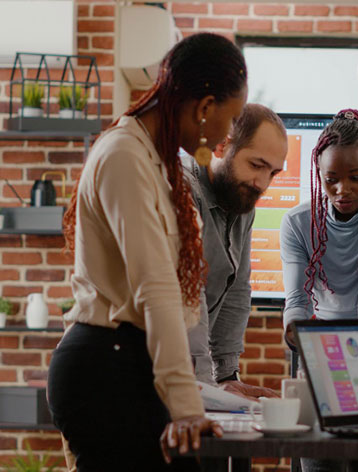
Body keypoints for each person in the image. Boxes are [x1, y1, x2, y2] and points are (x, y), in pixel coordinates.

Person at [48, 33, 248, 471]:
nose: (230, 132)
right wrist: (187, 408)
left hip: (128, 364)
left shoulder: (157, 158)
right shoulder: (125, 156)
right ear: (205, 107)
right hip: (106, 370)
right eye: (231, 119)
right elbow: (156, 289)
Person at [280, 109, 358, 472]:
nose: (343, 190)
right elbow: (297, 299)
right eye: (331, 179)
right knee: (318, 462)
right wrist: (297, 331)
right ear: (318, 176)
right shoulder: (298, 223)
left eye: (356, 177)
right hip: (321, 339)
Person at [185, 103, 287, 399]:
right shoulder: (182, 189)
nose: (263, 184)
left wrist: (227, 375)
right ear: (220, 145)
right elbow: (188, 294)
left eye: (273, 172)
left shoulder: (241, 201)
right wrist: (204, 387)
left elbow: (237, 289)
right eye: (256, 165)